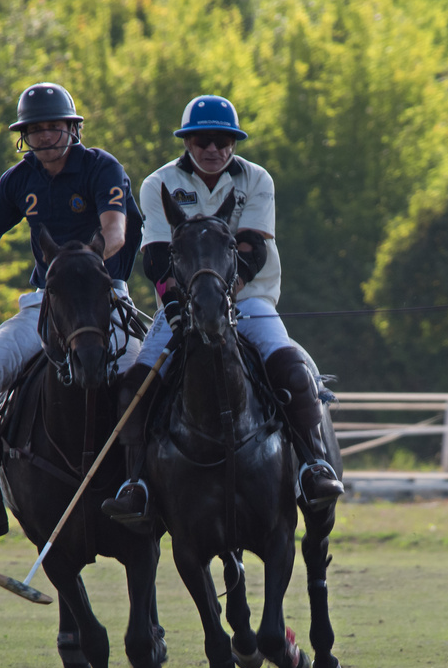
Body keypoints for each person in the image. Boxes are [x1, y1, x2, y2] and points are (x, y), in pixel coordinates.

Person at [100, 95, 344, 530]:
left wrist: (221, 303)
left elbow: (250, 250)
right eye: (202, 140)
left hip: (250, 300)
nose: (213, 149)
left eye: (223, 141)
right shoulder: (160, 183)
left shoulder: (257, 180)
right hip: (180, 304)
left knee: (289, 365)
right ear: (187, 142)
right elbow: (156, 257)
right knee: (135, 384)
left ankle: (313, 467)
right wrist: (178, 311)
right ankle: (135, 484)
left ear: (233, 143)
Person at [0, 82, 143, 554]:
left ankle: (146, 491)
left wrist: (83, 263)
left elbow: (116, 233)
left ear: (72, 128)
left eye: (54, 126)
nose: (46, 136)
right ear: (26, 136)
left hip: (103, 300)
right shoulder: (19, 180)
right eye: (36, 129)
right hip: (45, 305)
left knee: (145, 384)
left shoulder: (101, 167)